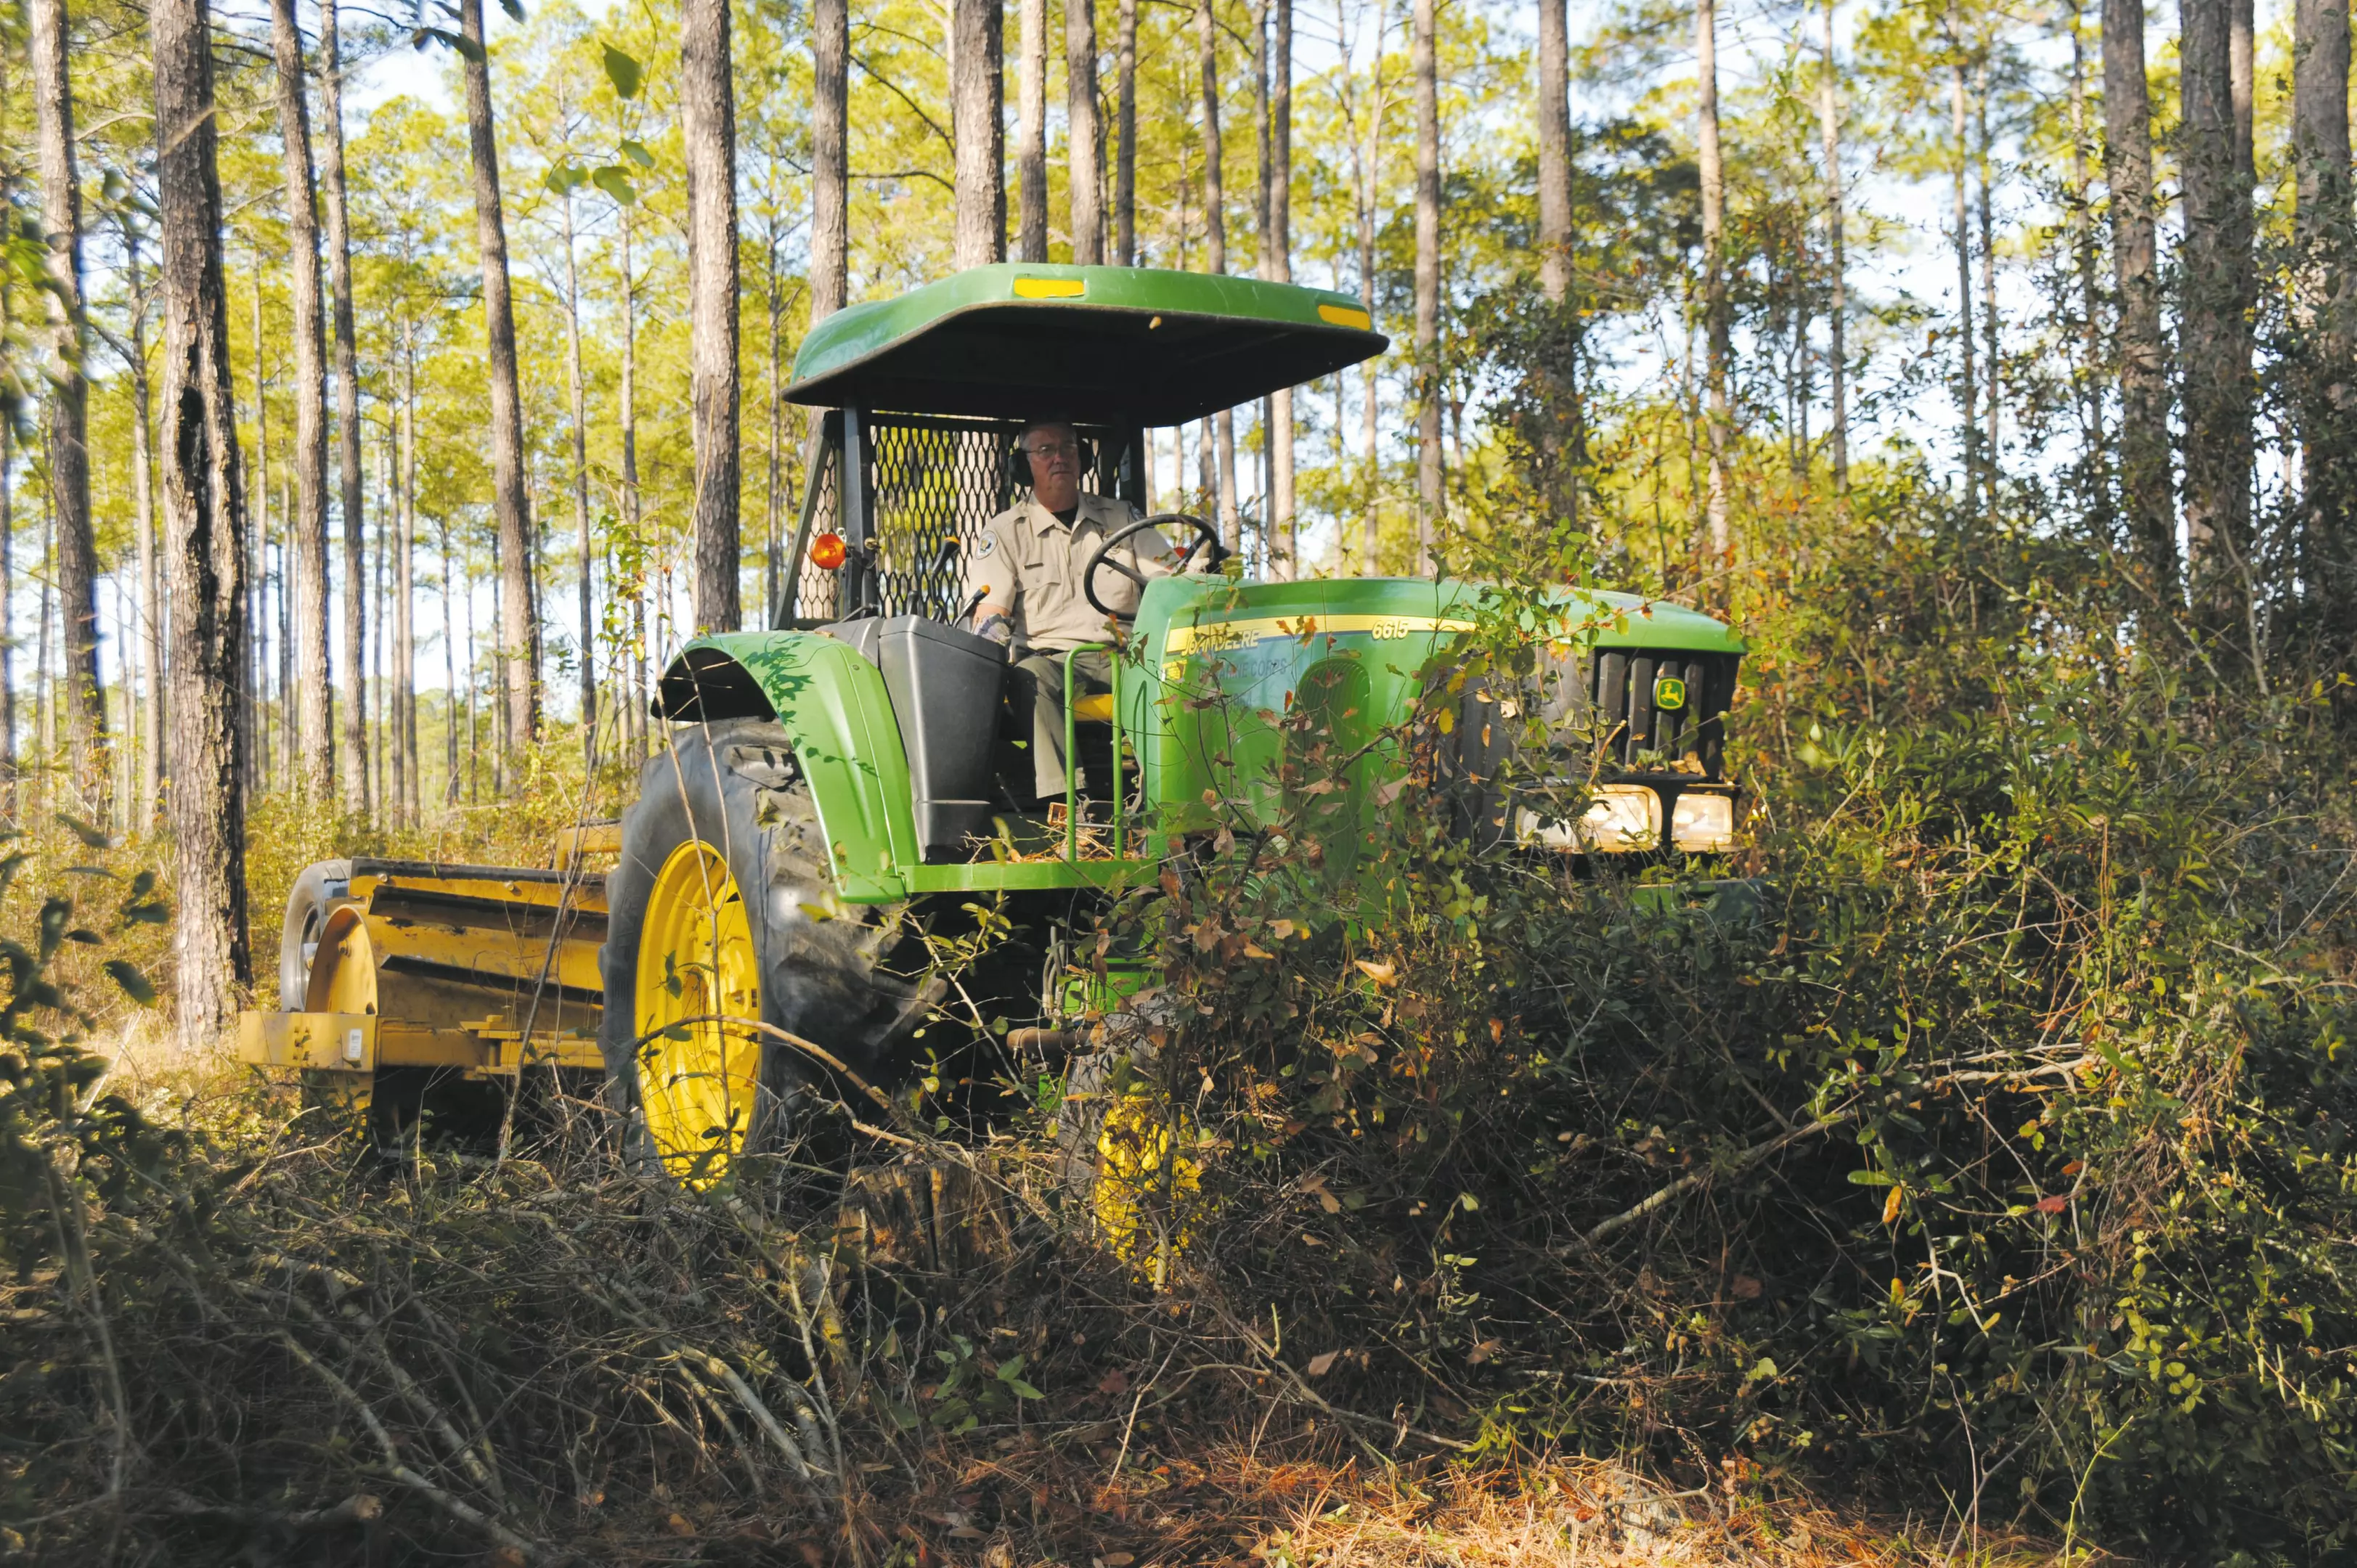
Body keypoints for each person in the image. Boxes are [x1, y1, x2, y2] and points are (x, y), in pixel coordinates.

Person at [965, 417, 1177, 803]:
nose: (1058, 458)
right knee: (1028, 676)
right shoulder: (1006, 532)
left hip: (1127, 659)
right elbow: (992, 617)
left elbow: (1171, 582)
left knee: (1181, 676)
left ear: (1082, 459)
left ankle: (1175, 806)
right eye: (1045, 450)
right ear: (1022, 466)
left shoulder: (1121, 519)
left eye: (1067, 448)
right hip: (1056, 664)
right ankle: (1071, 816)